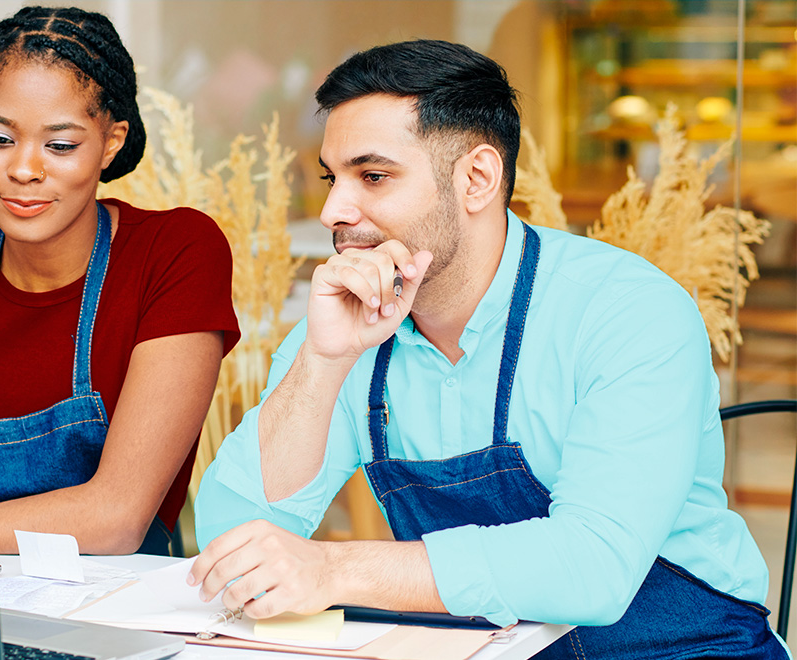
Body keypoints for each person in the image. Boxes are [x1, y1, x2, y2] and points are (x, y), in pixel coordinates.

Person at [190, 40, 787, 657]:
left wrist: (335, 569)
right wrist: (321, 364)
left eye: (373, 176)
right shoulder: (342, 327)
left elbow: (594, 567)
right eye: (331, 178)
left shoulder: (626, 311)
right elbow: (234, 547)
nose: (334, 210)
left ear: (477, 178)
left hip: (687, 648)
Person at [0, 6, 239, 557]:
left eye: (60, 146)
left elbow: (116, 519)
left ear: (111, 141)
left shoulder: (176, 253)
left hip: (117, 612)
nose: (23, 170)